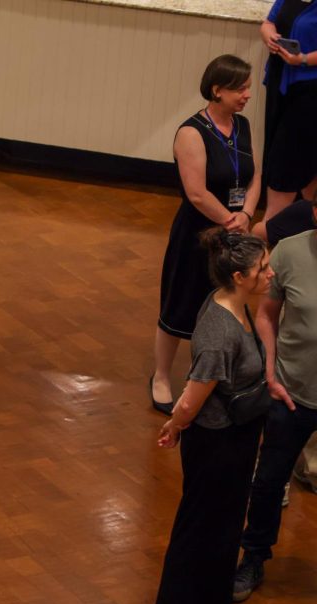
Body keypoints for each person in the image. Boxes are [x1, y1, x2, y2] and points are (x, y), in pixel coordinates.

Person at [152, 230, 273, 604]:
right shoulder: (221, 329)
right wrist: (175, 424)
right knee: (200, 526)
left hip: (235, 438)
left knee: (221, 525)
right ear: (239, 276)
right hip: (216, 442)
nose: (269, 273)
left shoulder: (232, 303)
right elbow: (194, 392)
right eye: (262, 268)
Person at [151, 55, 260, 416]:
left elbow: (256, 175)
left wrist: (245, 215)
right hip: (198, 234)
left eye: (248, 87)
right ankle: (162, 376)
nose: (247, 94)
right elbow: (196, 193)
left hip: (233, 229)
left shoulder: (242, 126)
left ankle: (209, 375)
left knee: (224, 304)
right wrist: (231, 219)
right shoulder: (191, 132)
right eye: (240, 88)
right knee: (180, 303)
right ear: (217, 90)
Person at [231, 200, 317, 603]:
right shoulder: (290, 252)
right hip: (291, 392)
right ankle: (253, 557)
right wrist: (269, 369)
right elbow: (265, 314)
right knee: (267, 482)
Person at [259, 1, 317, 222]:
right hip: (279, 83)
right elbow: (269, 22)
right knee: (285, 153)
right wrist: (270, 37)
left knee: (287, 159)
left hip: (309, 91)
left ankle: (271, 226)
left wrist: (302, 59)